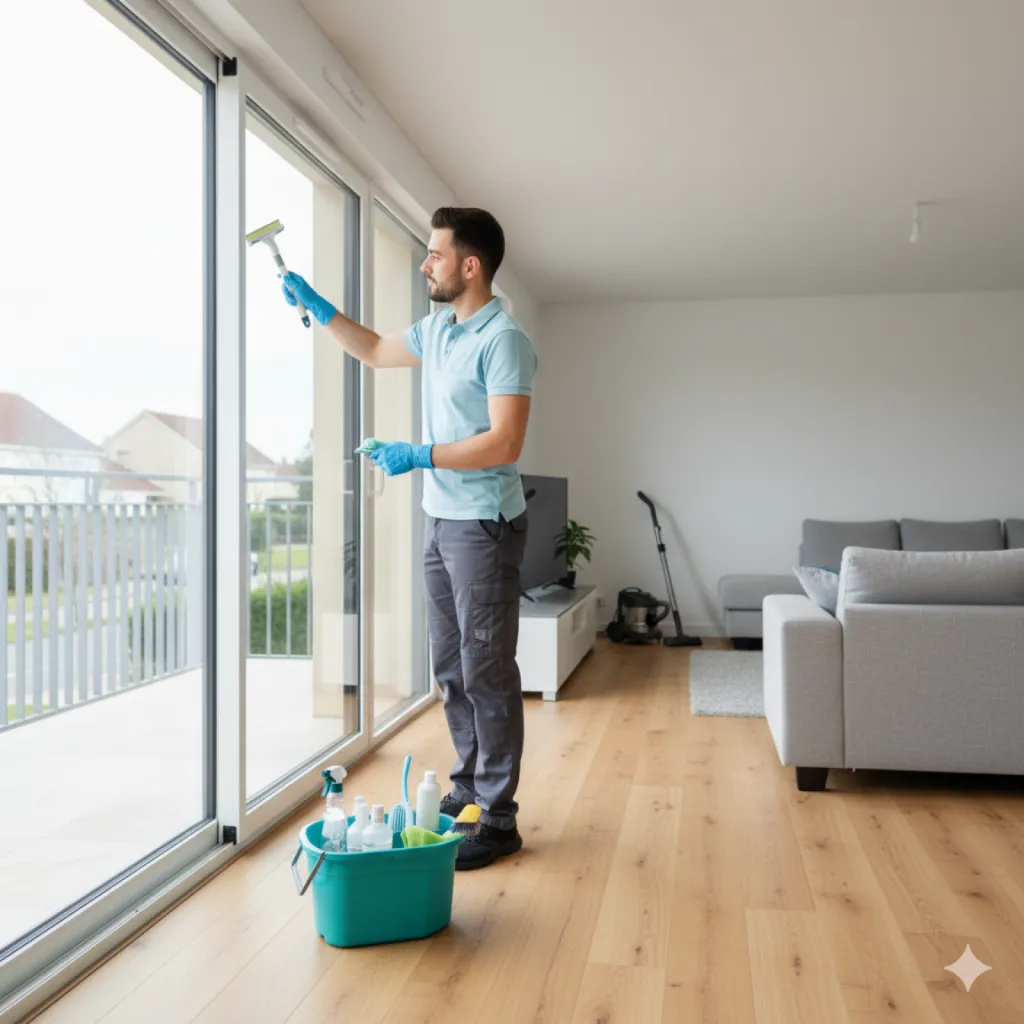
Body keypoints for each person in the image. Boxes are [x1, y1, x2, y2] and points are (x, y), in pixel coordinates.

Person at [281, 207, 537, 870]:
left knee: (487, 668)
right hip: (441, 521)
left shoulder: (501, 339)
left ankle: (500, 818)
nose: (426, 264)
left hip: (483, 524)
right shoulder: (441, 328)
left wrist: (418, 455)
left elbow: (506, 441)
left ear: (470, 265)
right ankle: (468, 787)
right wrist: (317, 304)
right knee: (451, 667)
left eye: (435, 254)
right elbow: (371, 350)